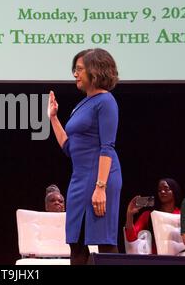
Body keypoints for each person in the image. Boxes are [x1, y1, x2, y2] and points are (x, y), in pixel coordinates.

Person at [48, 48, 122, 265]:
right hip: (79, 178)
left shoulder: (106, 101)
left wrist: (100, 187)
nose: (75, 74)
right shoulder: (83, 103)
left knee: (104, 242)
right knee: (76, 243)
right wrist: (53, 118)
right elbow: (69, 148)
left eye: (79, 69)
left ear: (95, 71)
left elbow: (107, 147)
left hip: (101, 177)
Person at [125, 178, 182, 254]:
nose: (162, 191)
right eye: (159, 190)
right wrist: (129, 215)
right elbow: (131, 239)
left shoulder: (182, 215)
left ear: (174, 191)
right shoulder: (148, 215)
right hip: (154, 259)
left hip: (178, 259)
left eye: (166, 189)